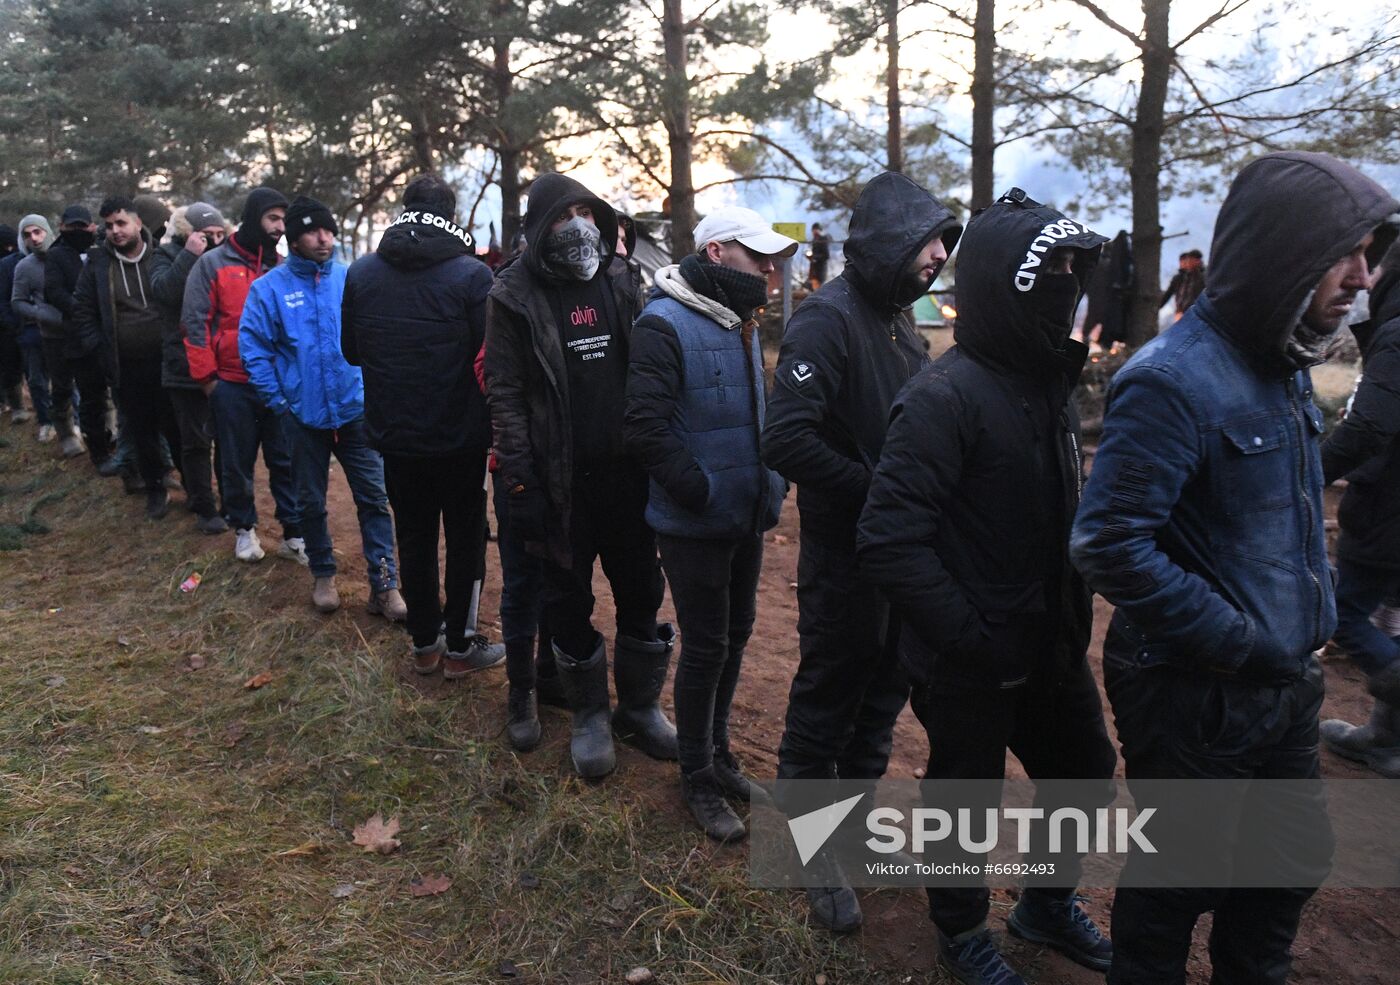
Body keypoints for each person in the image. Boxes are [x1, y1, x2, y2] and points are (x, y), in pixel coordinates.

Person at [1071, 151, 1399, 985]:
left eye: (1373, 254)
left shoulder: (1283, 360)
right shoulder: (1171, 381)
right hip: (1196, 690)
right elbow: (1108, 541)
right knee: (1179, 883)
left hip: (1284, 686)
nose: (1366, 277)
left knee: (1283, 868)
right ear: (1285, 250)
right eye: (1349, 253)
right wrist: (1240, 637)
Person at [858, 188, 1117, 983]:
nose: (1071, 283)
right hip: (968, 655)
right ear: (1012, 279)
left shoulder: (1050, 384)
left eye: (1079, 267)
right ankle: (962, 930)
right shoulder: (942, 398)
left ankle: (1043, 903)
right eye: (1057, 268)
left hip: (1050, 641)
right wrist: (971, 638)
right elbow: (888, 539)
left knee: (1084, 771)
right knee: (964, 797)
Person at [761, 171, 960, 932]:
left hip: (899, 558)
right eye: (930, 240)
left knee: (881, 700)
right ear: (890, 243)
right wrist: (875, 488)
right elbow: (784, 437)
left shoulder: (900, 321)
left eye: (945, 241)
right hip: (843, 557)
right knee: (827, 703)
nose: (940, 254)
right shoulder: (827, 319)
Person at [484, 172, 671, 780]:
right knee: (567, 599)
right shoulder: (511, 294)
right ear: (542, 225)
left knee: (642, 589)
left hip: (628, 475)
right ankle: (590, 712)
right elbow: (506, 394)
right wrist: (520, 482)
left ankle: (640, 708)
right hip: (558, 483)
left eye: (588, 212)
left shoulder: (623, 278)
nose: (579, 225)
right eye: (565, 214)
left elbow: (646, 369)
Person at [624, 206, 795, 841]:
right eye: (759, 256)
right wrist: (702, 490)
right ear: (718, 253)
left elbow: (757, 412)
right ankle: (694, 774)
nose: (771, 268)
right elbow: (645, 428)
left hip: (744, 514)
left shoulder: (740, 319)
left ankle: (719, 754)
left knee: (739, 631)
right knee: (704, 646)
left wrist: (771, 477)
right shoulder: (662, 323)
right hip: (695, 521)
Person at [343, 175, 504, 674]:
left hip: (395, 435)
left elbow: (351, 352)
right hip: (460, 438)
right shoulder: (472, 275)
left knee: (412, 536)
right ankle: (460, 646)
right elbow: (490, 360)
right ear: (451, 215)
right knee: (465, 537)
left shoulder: (362, 272)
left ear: (405, 209)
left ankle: (424, 645)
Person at [239, 195, 404, 621]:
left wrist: (374, 390)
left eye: (328, 230)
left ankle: (385, 585)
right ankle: (323, 573)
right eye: (314, 231)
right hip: (302, 416)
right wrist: (279, 401)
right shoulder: (268, 290)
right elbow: (254, 349)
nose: (324, 238)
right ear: (294, 239)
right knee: (310, 500)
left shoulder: (349, 280)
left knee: (374, 498)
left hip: (355, 411)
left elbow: (374, 338)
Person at [183, 187, 305, 563]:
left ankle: (294, 533)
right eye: (272, 218)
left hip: (277, 384)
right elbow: (195, 321)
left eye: (284, 220)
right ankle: (244, 529)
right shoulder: (212, 263)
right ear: (254, 219)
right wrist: (208, 380)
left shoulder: (284, 267)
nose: (279, 227)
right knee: (236, 461)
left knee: (285, 460)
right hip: (231, 383)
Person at [1317, 241, 1400, 776]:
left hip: (1388, 509)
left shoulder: (1397, 336)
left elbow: (1369, 427)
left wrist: (1303, 474)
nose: (1368, 279)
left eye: (1380, 265)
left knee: (1343, 612)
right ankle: (1386, 741)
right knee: (1390, 616)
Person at [71, 196, 184, 519]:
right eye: (109, 226)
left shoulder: (162, 256)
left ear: (138, 223)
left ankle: (194, 489)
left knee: (177, 428)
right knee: (142, 430)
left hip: (167, 360)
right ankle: (155, 490)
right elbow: (82, 309)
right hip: (126, 366)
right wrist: (100, 349)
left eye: (121, 223)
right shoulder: (98, 263)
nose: (115, 231)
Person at [152, 202, 230, 533]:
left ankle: (232, 505)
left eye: (219, 235)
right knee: (195, 441)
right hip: (182, 363)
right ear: (189, 233)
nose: (214, 241)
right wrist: (189, 255)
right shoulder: (166, 254)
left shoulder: (229, 257)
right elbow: (163, 293)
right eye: (206, 235)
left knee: (226, 440)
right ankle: (203, 506)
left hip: (223, 362)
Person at [44, 204, 111, 464]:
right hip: (78, 335)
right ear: (63, 227)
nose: (78, 231)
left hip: (108, 331)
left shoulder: (101, 250)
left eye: (82, 226)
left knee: (111, 396)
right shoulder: (56, 255)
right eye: (72, 227)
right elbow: (54, 291)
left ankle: (114, 439)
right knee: (91, 395)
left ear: (91, 226)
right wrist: (82, 309)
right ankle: (99, 452)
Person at [4, 216, 53, 437]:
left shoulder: (59, 258)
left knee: (65, 382)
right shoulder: (13, 265)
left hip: (59, 330)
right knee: (36, 380)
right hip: (28, 331)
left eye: (37, 232)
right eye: (27, 234)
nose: (33, 238)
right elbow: (9, 300)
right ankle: (45, 421)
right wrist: (17, 326)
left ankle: (73, 425)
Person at [1160, 249, 1205, 321]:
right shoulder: (1180, 278)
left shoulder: (1202, 276)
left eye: (1188, 260)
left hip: (1196, 312)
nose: (1186, 263)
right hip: (1181, 312)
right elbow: (1168, 294)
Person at [808, 222, 830, 289]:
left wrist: (815, 257)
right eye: (813, 230)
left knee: (819, 288)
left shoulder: (823, 239)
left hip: (820, 269)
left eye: (816, 229)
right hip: (814, 269)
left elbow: (826, 255)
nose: (814, 231)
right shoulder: (814, 240)